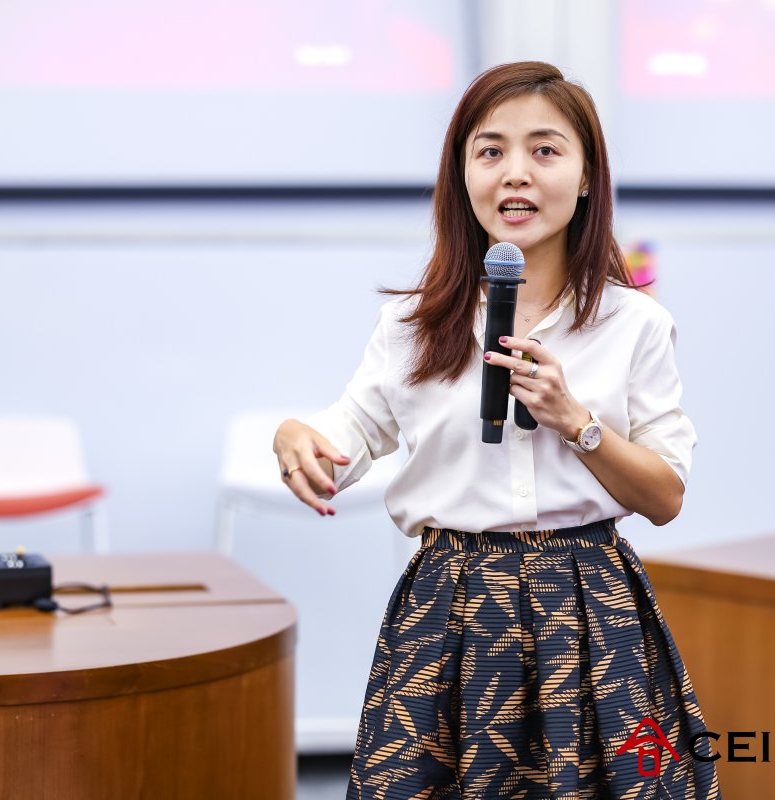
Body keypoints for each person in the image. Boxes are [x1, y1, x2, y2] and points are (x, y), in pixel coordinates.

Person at [273, 61, 721, 800]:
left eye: (544, 150)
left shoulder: (634, 323)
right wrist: (299, 437)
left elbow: (666, 495)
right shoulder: (412, 324)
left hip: (587, 606)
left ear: (586, 176)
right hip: (449, 606)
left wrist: (576, 422)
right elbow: (350, 430)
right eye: (491, 151)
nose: (516, 173)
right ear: (463, 176)